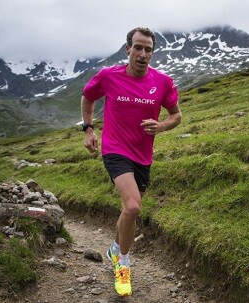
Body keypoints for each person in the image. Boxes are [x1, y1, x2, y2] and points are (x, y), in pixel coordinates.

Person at [80, 27, 182, 297]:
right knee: (134, 206)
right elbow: (88, 96)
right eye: (138, 47)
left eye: (148, 49)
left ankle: (115, 250)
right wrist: (89, 130)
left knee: (129, 211)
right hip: (114, 149)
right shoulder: (108, 76)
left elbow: (177, 116)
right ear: (128, 49)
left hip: (142, 155)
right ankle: (123, 265)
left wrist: (161, 126)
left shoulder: (162, 82)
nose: (143, 54)